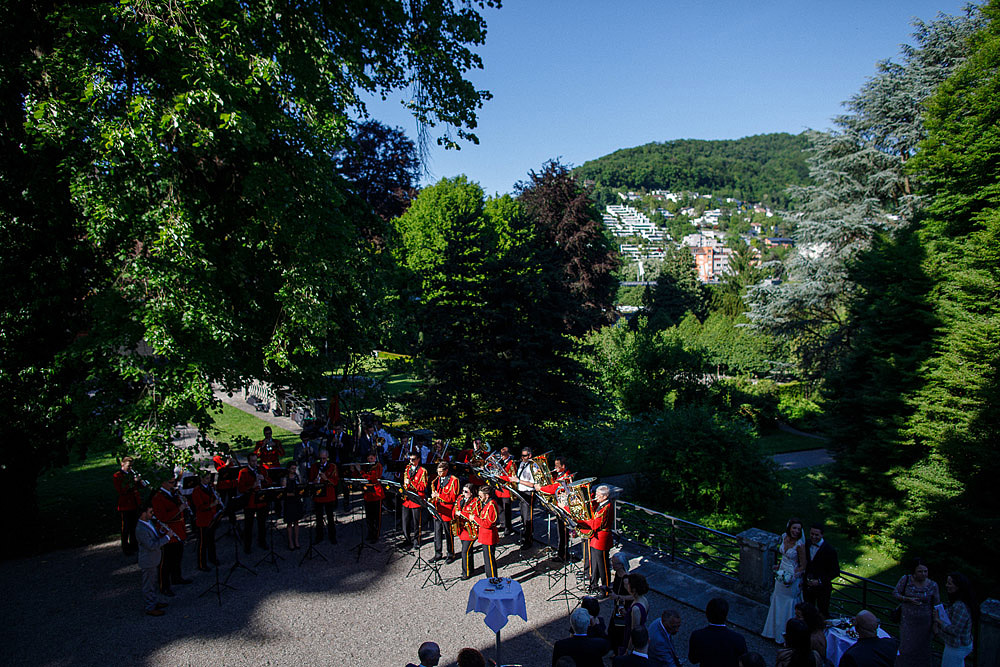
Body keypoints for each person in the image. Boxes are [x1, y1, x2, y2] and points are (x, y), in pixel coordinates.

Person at [762, 518, 807, 644]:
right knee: (777, 599)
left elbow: (803, 565)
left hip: (792, 577)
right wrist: (779, 566)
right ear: (789, 528)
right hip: (781, 573)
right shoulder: (784, 538)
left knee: (788, 603)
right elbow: (784, 557)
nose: (796, 531)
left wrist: (794, 576)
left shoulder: (800, 545)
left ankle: (787, 636)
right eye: (794, 528)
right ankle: (772, 631)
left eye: (799, 529)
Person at [893, 558, 940, 667]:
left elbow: (936, 605)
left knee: (923, 649)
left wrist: (935, 623)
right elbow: (895, 593)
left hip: (925, 623)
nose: (923, 574)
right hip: (908, 622)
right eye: (920, 571)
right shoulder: (906, 580)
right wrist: (907, 599)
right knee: (906, 647)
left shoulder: (933, 585)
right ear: (914, 572)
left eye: (925, 571)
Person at [151, 475, 190, 595]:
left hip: (179, 529)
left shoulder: (174, 493)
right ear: (163, 483)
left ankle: (176, 577)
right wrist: (179, 509)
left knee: (178, 556)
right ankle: (164, 586)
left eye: (174, 482)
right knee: (166, 561)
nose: (173, 484)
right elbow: (162, 517)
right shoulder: (158, 497)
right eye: (171, 482)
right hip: (168, 531)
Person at [688, 598, 748, 667]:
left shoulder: (697, 636)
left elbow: (693, 660)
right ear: (726, 615)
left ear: (707, 614)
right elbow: (744, 663)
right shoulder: (738, 639)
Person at [135, 501, 170, 616]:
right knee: (148, 585)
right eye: (150, 512)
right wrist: (167, 538)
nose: (152, 514)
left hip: (154, 559)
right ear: (143, 514)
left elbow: (154, 536)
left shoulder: (148, 522)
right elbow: (151, 545)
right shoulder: (140, 529)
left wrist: (161, 532)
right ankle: (150, 607)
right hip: (148, 560)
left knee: (153, 582)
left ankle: (154, 602)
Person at [937, 572, 976, 667]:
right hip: (957, 645)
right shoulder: (958, 602)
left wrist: (938, 621)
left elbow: (956, 630)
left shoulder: (960, 606)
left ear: (958, 586)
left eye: (950, 583)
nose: (946, 585)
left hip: (957, 646)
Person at [803, 524, 839, 618]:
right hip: (807, 587)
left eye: (816, 535)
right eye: (812, 534)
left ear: (822, 535)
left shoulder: (830, 550)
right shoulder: (806, 544)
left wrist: (819, 581)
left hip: (822, 589)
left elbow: (835, 571)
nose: (813, 537)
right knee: (807, 611)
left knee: (822, 613)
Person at [583, 485, 613, 593]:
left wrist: (581, 522)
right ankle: (594, 584)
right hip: (596, 539)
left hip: (602, 540)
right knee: (594, 563)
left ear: (605, 497)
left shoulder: (606, 507)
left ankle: (606, 589)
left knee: (603, 566)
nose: (596, 497)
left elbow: (596, 524)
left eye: (598, 495)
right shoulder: (601, 504)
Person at [237, 453, 268, 553]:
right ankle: (247, 546)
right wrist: (252, 486)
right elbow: (241, 488)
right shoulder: (244, 472)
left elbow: (269, 482)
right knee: (248, 525)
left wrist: (264, 480)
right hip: (250, 502)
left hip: (261, 500)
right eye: (253, 461)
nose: (255, 463)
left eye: (256, 461)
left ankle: (262, 541)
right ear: (249, 462)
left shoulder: (261, 469)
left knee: (262, 523)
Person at [191, 470, 221, 570]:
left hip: (212, 517)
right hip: (202, 520)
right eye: (207, 478)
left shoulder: (211, 487)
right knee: (203, 543)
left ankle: (212, 558)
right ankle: (201, 564)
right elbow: (199, 507)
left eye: (209, 478)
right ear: (201, 479)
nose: (209, 481)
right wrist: (212, 504)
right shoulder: (197, 490)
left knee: (211, 540)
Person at [113, 456, 143, 555]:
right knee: (126, 527)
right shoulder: (117, 476)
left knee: (134, 526)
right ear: (122, 464)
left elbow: (140, 487)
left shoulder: (132, 474)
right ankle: (125, 547)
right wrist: (133, 482)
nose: (130, 468)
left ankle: (134, 545)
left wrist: (140, 481)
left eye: (131, 466)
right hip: (125, 505)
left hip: (135, 504)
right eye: (129, 466)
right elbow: (121, 490)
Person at [430, 462, 459, 562]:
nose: (438, 474)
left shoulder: (453, 480)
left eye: (441, 472)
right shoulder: (437, 479)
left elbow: (452, 497)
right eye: (437, 471)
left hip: (447, 509)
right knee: (437, 533)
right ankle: (438, 553)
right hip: (438, 509)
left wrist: (439, 496)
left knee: (448, 533)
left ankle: (451, 554)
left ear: (446, 470)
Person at [309, 448, 338, 545]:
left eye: (324, 459)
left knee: (330, 516)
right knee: (319, 517)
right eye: (320, 459)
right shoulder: (314, 466)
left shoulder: (332, 466)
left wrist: (326, 479)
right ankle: (319, 536)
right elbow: (311, 479)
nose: (322, 461)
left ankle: (332, 536)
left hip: (329, 494)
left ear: (327, 458)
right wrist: (315, 480)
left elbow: (335, 481)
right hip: (319, 494)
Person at [608, 552, 633, 654]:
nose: (612, 565)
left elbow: (633, 596)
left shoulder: (626, 579)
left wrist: (617, 596)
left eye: (615, 564)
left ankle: (619, 653)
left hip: (623, 609)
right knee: (613, 631)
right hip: (618, 607)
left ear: (621, 565)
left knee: (619, 632)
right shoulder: (617, 574)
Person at [472, 485, 500, 578]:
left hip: (488, 536)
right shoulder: (487, 503)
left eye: (481, 496)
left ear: (487, 495)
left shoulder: (491, 505)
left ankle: (492, 580)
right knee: (487, 560)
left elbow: (488, 523)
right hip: (485, 536)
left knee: (489, 562)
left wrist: (474, 518)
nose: (479, 498)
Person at [402, 452, 428, 549]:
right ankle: (407, 539)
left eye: (413, 459)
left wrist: (411, 483)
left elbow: (423, 486)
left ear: (418, 460)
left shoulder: (423, 471)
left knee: (416, 522)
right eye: (410, 459)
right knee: (405, 521)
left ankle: (416, 540)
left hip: (416, 499)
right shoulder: (407, 469)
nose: (411, 462)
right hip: (407, 499)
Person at [552, 455, 574, 561]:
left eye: (557, 466)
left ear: (563, 466)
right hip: (559, 506)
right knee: (560, 531)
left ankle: (564, 554)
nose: (555, 467)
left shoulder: (566, 476)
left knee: (563, 532)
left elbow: (554, 488)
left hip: (564, 507)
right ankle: (561, 553)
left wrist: (541, 488)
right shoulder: (558, 474)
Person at [516, 447, 539, 548]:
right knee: (523, 516)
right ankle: (525, 537)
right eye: (522, 456)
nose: (522, 458)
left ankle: (529, 540)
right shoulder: (522, 464)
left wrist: (518, 481)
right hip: (521, 492)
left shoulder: (533, 466)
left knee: (527, 518)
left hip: (528, 493)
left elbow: (532, 484)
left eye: (525, 456)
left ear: (529, 455)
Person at [361, 453, 385, 543]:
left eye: (371, 458)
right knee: (369, 516)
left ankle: (376, 534)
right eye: (368, 459)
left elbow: (374, 478)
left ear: (375, 457)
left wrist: (361, 472)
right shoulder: (366, 466)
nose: (370, 460)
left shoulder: (378, 465)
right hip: (368, 494)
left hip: (376, 494)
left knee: (376, 516)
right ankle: (370, 532)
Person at [624, 573, 650, 654]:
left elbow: (634, 632)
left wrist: (628, 650)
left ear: (633, 589)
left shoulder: (636, 608)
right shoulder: (644, 599)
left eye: (628, 584)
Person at [456, 483, 478, 579]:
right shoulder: (461, 498)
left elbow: (475, 514)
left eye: (466, 492)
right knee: (468, 550)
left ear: (472, 493)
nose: (463, 493)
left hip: (471, 529)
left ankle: (466, 573)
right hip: (462, 529)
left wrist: (461, 513)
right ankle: (470, 568)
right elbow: (456, 507)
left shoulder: (476, 502)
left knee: (465, 551)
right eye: (463, 491)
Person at [281, 460, 304, 550]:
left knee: (296, 521)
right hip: (289, 502)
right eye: (292, 469)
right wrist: (292, 494)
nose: (294, 470)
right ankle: (290, 541)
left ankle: (296, 540)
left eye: (295, 468)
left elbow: (301, 487)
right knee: (290, 523)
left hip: (297, 501)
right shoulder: (285, 479)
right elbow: (283, 492)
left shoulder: (297, 477)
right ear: (288, 469)